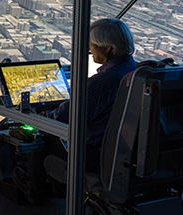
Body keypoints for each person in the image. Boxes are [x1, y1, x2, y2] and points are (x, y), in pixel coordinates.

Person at [20, 18, 138, 197]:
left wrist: (34, 117)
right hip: (127, 154)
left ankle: (37, 189)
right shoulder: (136, 72)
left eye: (92, 44)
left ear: (107, 48)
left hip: (97, 155)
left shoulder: (103, 82)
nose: (90, 49)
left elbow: (62, 118)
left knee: (40, 135)